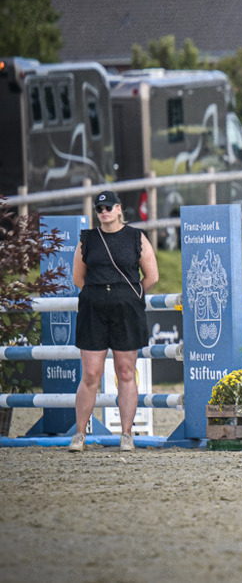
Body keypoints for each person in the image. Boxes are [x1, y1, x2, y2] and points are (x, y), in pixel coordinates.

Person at [68, 191, 159, 452]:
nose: (104, 211)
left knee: (126, 372)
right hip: (93, 309)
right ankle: (79, 434)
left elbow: (151, 276)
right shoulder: (87, 239)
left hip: (126, 309)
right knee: (90, 374)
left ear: (119, 209)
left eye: (108, 207)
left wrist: (128, 295)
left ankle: (127, 434)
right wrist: (99, 295)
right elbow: (78, 278)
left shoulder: (135, 237)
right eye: (99, 208)